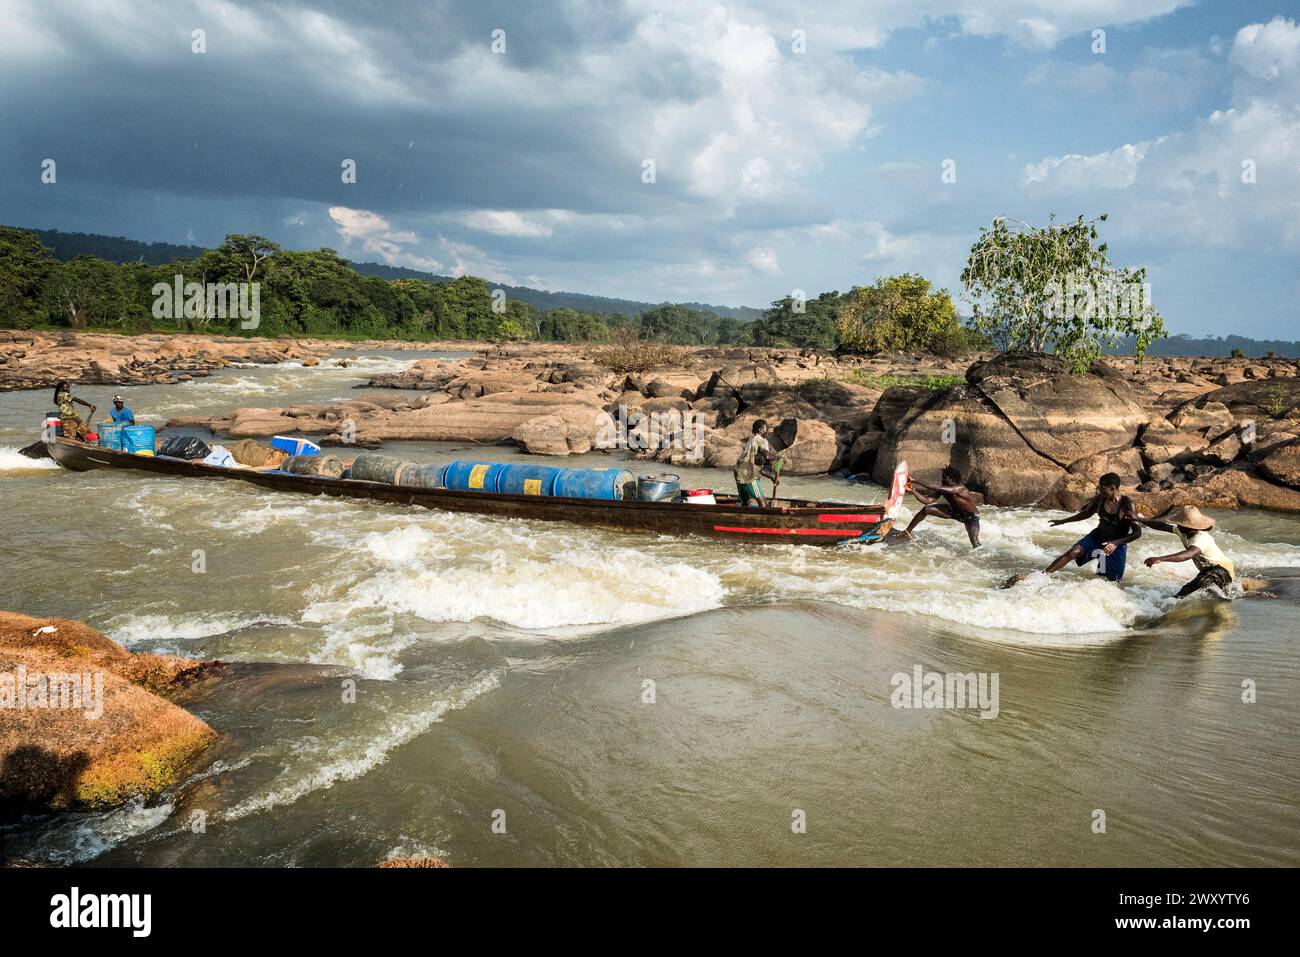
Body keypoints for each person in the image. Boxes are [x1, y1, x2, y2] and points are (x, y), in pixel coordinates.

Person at [1039, 472, 1141, 583]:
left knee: (1113, 581)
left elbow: (1137, 532)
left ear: (1112, 488)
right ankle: (1043, 575)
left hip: (1115, 545)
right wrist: (1063, 521)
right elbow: (1085, 514)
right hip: (1097, 537)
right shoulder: (1100, 499)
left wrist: (1116, 543)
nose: (1099, 491)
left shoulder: (1127, 504)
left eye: (1102, 488)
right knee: (1073, 552)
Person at [1137, 505, 1236, 598]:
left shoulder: (1200, 538)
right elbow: (1163, 526)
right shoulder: (1184, 531)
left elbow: (1188, 554)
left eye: (1180, 524)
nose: (1177, 525)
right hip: (1208, 571)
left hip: (1222, 570)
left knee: (1193, 589)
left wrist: (1160, 558)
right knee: (1191, 592)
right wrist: (1139, 519)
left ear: (1188, 526)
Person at [901, 466, 982, 547]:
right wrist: (913, 491)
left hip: (971, 517)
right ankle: (907, 532)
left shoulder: (959, 488)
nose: (942, 479)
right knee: (926, 509)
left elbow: (937, 487)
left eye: (944, 477)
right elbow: (928, 501)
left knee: (974, 541)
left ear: (951, 478)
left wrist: (915, 480)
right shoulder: (943, 489)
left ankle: (982, 556)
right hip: (954, 512)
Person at [734, 419, 779, 507]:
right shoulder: (760, 440)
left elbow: (759, 469)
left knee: (745, 503)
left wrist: (772, 477)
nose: (768, 432)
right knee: (763, 503)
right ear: (760, 430)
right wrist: (779, 458)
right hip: (748, 476)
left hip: (738, 472)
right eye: (767, 429)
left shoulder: (751, 440)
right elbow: (767, 456)